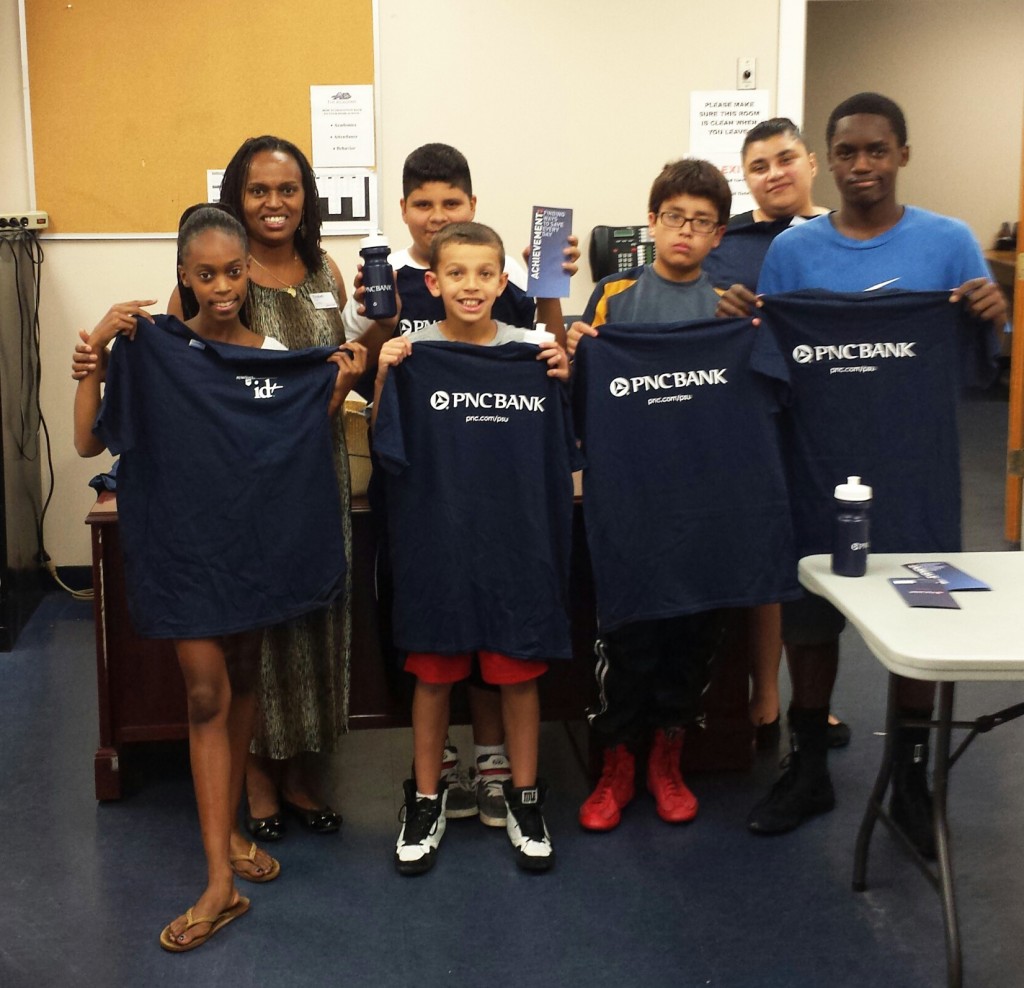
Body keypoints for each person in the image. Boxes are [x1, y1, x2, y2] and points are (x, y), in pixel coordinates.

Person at [719, 93, 1007, 853]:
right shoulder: (794, 253)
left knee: (919, 621)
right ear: (830, 159)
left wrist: (990, 309)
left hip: (916, 471)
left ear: (903, 154)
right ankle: (807, 765)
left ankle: (911, 780)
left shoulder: (949, 243)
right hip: (816, 465)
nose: (862, 166)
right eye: (847, 152)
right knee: (811, 619)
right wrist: (741, 314)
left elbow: (989, 353)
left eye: (876, 150)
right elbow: (770, 351)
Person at [73, 206, 364, 950]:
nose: (222, 286)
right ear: (182, 275)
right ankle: (217, 884)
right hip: (184, 554)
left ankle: (230, 833)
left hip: (253, 551)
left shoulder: (272, 352)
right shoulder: (153, 348)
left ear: (246, 272)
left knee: (241, 676)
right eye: (205, 274)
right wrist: (97, 359)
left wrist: (334, 382)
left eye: (233, 272)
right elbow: (84, 441)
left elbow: (300, 431)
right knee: (206, 690)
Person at [341, 143, 578, 827]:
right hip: (427, 503)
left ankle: (496, 759)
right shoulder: (386, 292)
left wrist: (558, 351)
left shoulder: (522, 320)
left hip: (503, 507)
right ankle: (433, 772)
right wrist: (386, 363)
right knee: (429, 633)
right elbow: (372, 392)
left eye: (451, 204)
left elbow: (548, 365)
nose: (438, 216)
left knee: (499, 635)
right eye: (424, 205)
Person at [177, 137, 354, 840]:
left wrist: (351, 372)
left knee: (315, 617)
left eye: (287, 190)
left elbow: (336, 375)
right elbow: (194, 388)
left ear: (305, 196)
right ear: (236, 199)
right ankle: (255, 782)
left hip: (318, 475)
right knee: (256, 630)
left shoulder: (327, 271)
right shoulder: (212, 273)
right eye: (259, 190)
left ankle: (305, 777)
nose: (274, 204)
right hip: (244, 487)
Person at [568, 159, 748, 831]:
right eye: (675, 217)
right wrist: (578, 351)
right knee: (628, 636)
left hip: (704, 500)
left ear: (718, 235)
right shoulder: (614, 297)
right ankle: (617, 765)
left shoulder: (726, 306)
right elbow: (583, 392)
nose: (685, 231)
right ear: (652, 222)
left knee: (692, 635)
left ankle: (667, 760)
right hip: (629, 501)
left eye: (701, 222)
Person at [704, 118, 846, 752]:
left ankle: (816, 702)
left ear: (811, 163)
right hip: (750, 417)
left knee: (826, 559)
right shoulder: (724, 242)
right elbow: (685, 298)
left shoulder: (847, 235)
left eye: (785, 158)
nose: (774, 173)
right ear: (746, 178)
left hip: (828, 415)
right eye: (759, 166)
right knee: (768, 559)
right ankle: (765, 697)